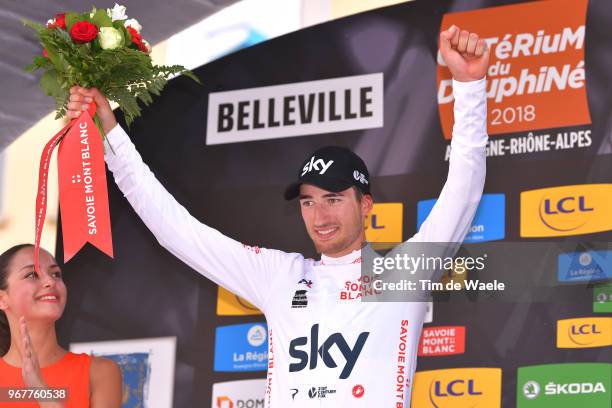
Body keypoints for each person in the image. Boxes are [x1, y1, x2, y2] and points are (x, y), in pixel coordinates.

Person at [67, 25, 489, 406]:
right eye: (308, 201)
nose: (319, 214)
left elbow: (463, 191)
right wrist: (112, 138)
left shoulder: (404, 274)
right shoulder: (280, 275)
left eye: (333, 198)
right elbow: (176, 230)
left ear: (365, 204)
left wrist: (469, 87)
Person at [0, 244, 122, 407]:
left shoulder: (100, 372)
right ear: (2, 299)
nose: (50, 281)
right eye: (32, 274)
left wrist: (40, 389)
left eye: (56, 274)